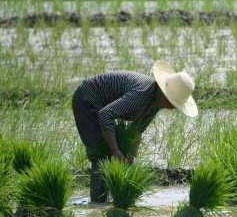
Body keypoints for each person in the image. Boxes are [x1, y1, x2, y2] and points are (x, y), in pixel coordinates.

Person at [72, 59, 198, 203]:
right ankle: (98, 202)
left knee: (121, 157)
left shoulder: (155, 102)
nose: (174, 107)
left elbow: (136, 131)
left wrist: (130, 156)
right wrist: (114, 150)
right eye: (174, 102)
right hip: (87, 100)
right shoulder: (140, 95)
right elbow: (105, 114)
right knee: (101, 154)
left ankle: (111, 199)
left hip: (102, 105)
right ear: (165, 94)